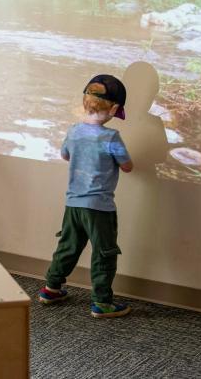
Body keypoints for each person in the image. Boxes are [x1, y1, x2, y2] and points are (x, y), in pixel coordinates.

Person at [38, 74, 134, 318]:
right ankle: (102, 302)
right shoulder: (111, 137)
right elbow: (127, 166)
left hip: (73, 203)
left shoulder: (73, 131)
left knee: (68, 246)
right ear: (114, 108)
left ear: (84, 103)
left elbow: (65, 155)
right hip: (99, 207)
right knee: (104, 252)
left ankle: (51, 288)